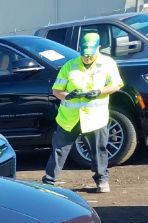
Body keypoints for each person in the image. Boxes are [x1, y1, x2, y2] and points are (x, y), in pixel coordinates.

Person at [43, 32, 124, 193]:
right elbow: (56, 91)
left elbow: (116, 85)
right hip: (69, 117)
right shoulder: (70, 65)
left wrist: (99, 91)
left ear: (98, 48)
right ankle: (48, 182)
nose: (87, 58)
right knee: (59, 150)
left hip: (95, 117)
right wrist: (68, 95)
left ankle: (102, 180)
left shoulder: (107, 64)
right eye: (84, 55)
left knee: (98, 149)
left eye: (90, 55)